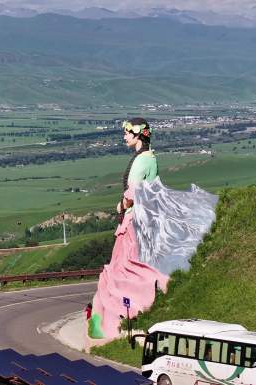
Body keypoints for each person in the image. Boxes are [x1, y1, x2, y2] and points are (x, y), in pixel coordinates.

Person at [90, 118, 170, 339]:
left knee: (126, 266)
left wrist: (123, 204)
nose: (124, 136)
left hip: (135, 219)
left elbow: (133, 191)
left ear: (138, 135)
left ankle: (124, 315)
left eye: (127, 133)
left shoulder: (141, 161)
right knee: (129, 263)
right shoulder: (150, 158)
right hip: (144, 217)